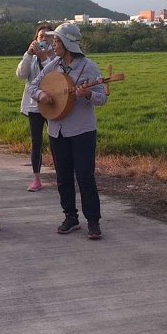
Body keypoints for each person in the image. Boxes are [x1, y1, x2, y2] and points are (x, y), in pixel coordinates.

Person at [29, 23, 106, 240]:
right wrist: (42, 96)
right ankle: (70, 216)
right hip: (57, 130)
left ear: (68, 44)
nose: (53, 44)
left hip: (82, 130)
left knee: (84, 176)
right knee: (63, 177)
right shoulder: (53, 65)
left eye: (57, 41)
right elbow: (33, 86)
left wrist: (88, 94)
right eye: (54, 40)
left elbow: (102, 98)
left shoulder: (88, 67)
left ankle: (93, 221)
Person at [16, 24, 56, 192]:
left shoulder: (56, 57)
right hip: (34, 106)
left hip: (54, 104)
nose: (44, 39)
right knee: (36, 142)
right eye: (41, 37)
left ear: (53, 40)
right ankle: (36, 178)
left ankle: (61, 174)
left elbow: (53, 76)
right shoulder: (31, 58)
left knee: (57, 140)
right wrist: (28, 54)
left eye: (47, 36)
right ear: (35, 40)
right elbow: (20, 75)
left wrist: (44, 58)